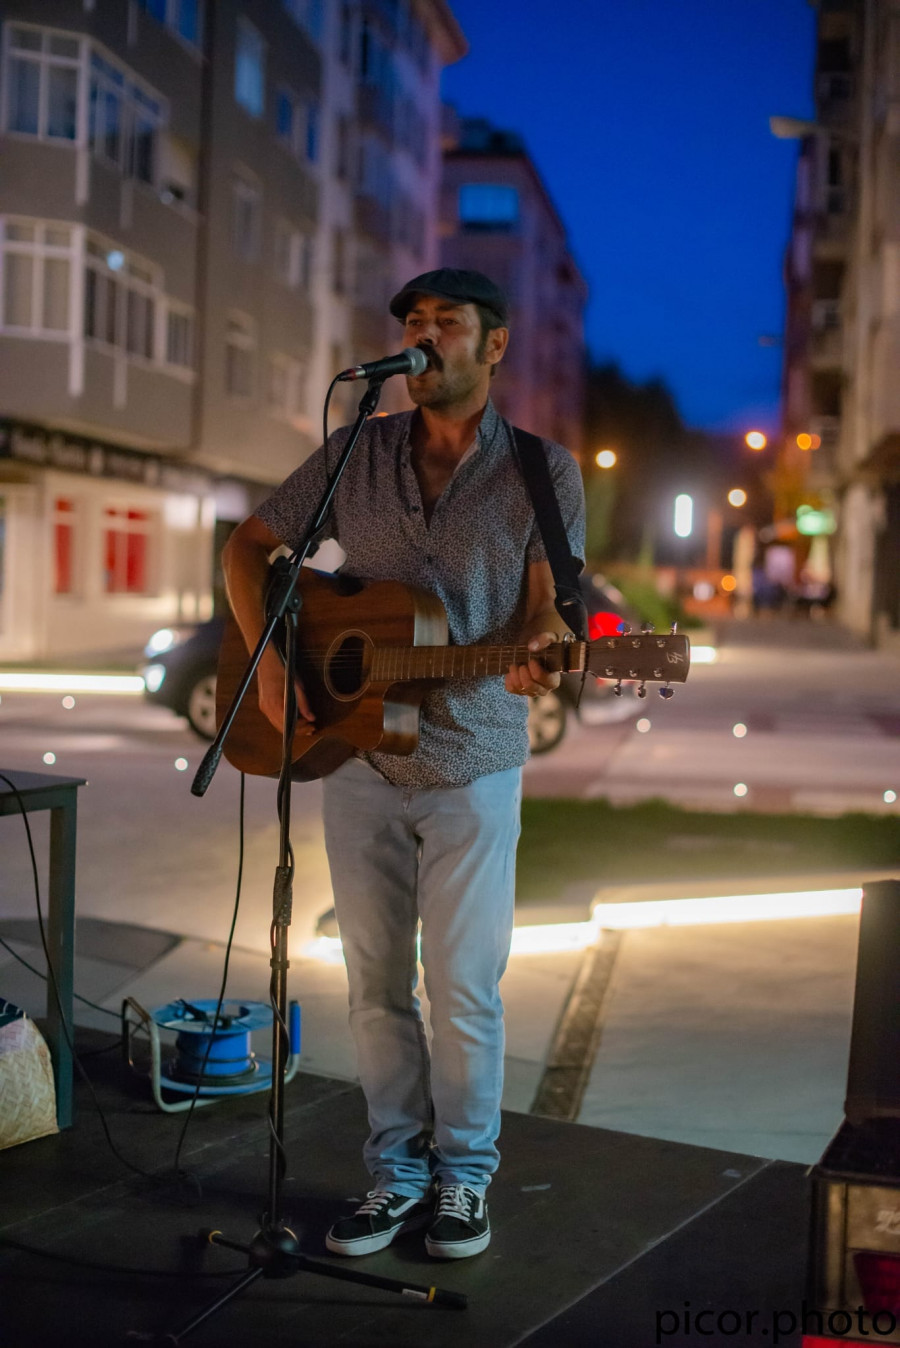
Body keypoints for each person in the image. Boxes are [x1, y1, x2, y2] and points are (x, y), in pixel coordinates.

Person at [222, 268, 585, 1260]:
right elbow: (249, 546)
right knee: (375, 981)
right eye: (413, 325)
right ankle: (396, 1172)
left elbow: (549, 606)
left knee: (461, 987)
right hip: (357, 759)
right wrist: (265, 669)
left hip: (472, 761)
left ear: (494, 346)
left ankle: (465, 1177)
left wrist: (540, 648)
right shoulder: (356, 451)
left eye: (448, 324)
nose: (425, 340)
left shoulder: (544, 470)